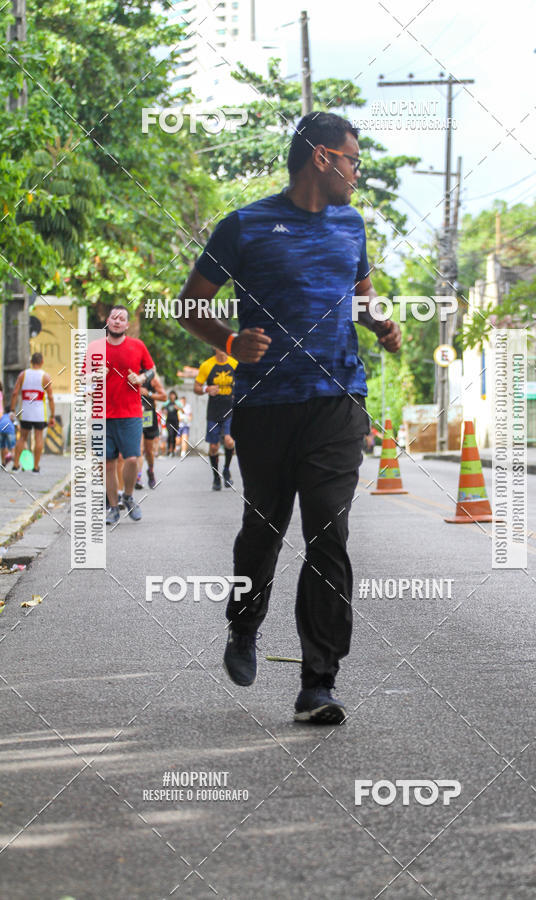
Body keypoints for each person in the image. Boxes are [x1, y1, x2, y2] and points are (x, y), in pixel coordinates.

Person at [177, 112, 401, 725]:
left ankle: (318, 682)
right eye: (353, 161)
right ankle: (244, 623)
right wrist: (229, 343)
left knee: (328, 534)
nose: (357, 174)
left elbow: (358, 301)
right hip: (267, 406)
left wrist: (379, 325)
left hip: (336, 402)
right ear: (323, 158)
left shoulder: (352, 225)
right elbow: (190, 303)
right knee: (264, 529)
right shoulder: (244, 225)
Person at [88, 305, 155, 524]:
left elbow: (151, 369)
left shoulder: (137, 346)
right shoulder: (94, 347)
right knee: (107, 463)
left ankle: (128, 496)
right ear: (108, 321)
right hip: (102, 414)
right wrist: (94, 376)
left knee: (132, 459)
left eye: (122, 318)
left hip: (130, 413)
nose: (117, 321)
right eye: (114, 317)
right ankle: (113, 507)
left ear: (127, 324)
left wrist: (142, 379)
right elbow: (82, 380)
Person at [194, 348, 237, 490]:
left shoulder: (235, 363)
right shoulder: (207, 365)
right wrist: (207, 389)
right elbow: (196, 387)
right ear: (213, 347)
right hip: (213, 412)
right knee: (213, 448)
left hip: (230, 410)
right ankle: (216, 477)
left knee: (229, 441)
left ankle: (226, 469)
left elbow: (244, 383)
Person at [10, 352, 55, 472]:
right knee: (38, 437)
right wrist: (52, 415)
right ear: (42, 362)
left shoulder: (23, 375)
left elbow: (15, 393)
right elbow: (50, 397)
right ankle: (35, 467)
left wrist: (13, 410)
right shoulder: (45, 376)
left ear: (31, 362)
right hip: (39, 413)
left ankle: (15, 465)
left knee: (22, 438)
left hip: (26, 412)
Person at [140, 371, 167, 488]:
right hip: (133, 415)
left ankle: (150, 471)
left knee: (149, 450)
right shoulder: (127, 371)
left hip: (148, 415)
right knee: (139, 449)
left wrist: (148, 393)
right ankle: (138, 477)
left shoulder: (151, 377)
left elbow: (164, 396)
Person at [162, 391, 181, 456]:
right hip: (169, 421)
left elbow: (183, 411)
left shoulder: (177, 403)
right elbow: (162, 408)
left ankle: (173, 450)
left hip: (176, 421)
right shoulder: (167, 403)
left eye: (173, 395)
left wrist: (178, 408)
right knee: (170, 434)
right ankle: (169, 449)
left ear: (175, 396)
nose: (172, 396)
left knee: (174, 436)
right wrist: (164, 410)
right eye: (171, 395)